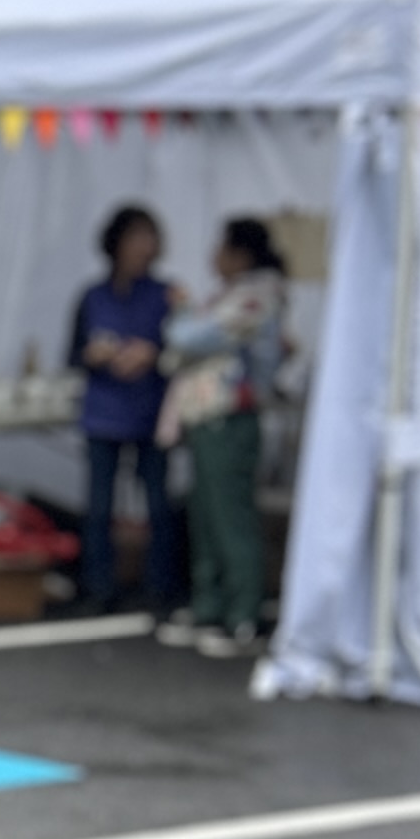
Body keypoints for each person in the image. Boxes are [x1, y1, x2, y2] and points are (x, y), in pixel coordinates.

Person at [156, 215, 289, 659]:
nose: (214, 255)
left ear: (241, 254)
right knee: (206, 515)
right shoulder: (231, 295)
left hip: (231, 419)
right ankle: (209, 606)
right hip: (208, 418)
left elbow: (191, 339)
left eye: (221, 247)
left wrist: (182, 312)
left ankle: (243, 614)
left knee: (231, 516)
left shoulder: (258, 296)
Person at [66, 203, 180, 613]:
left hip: (151, 414)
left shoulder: (167, 295)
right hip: (104, 413)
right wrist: (95, 355)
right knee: (99, 507)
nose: (144, 247)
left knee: (158, 505)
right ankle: (98, 587)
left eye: (150, 238)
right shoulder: (93, 296)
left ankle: (159, 587)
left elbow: (184, 351)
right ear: (116, 244)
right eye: (136, 238)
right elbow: (73, 355)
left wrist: (153, 355)